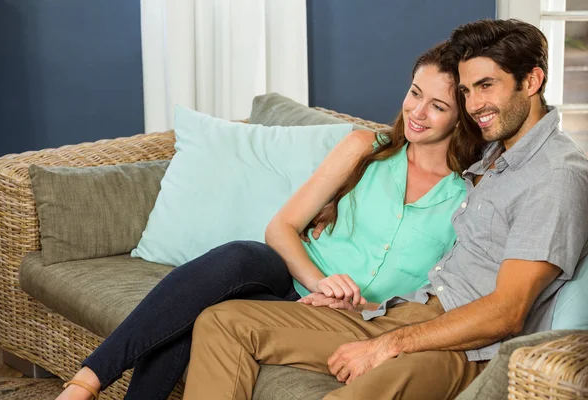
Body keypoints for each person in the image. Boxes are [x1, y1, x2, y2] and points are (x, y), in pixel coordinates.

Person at [182, 18, 588, 400]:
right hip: (409, 311)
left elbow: (507, 312)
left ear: (532, 80)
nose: (474, 104)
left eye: (486, 85)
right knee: (224, 323)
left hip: (467, 348)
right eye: (466, 91)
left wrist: (388, 345)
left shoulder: (553, 176)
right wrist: (336, 204)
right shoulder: (498, 151)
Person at [57, 42, 483, 400]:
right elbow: (281, 227)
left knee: (201, 315)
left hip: (356, 317)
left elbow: (440, 293)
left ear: (461, 115)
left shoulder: (472, 195)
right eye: (414, 93)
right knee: (238, 258)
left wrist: (360, 305)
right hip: (293, 278)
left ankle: (85, 386)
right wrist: (320, 282)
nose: (417, 111)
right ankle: (87, 382)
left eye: (438, 106)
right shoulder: (365, 147)